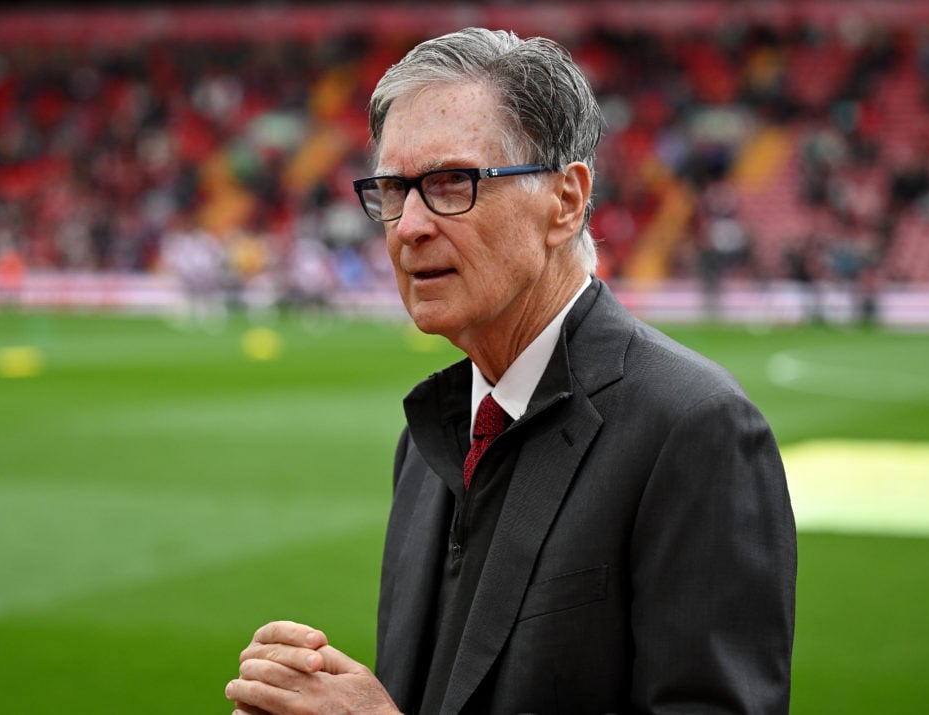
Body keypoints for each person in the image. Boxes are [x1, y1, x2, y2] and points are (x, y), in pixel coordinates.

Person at [225, 27, 796, 715]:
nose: (408, 225)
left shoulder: (695, 428)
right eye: (393, 189)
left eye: (448, 184)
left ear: (565, 201)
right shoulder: (429, 440)